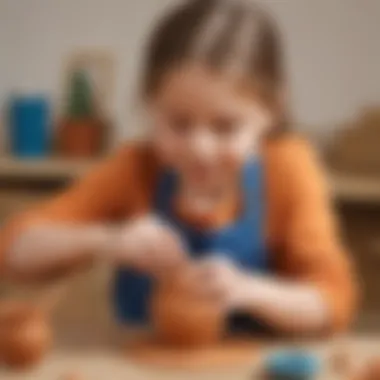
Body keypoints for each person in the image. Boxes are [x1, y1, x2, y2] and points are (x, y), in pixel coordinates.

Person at [0, 0, 356, 348]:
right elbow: (14, 251)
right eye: (178, 124)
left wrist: (247, 291)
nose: (200, 148)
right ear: (149, 104)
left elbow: (334, 303)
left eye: (226, 127)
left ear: (272, 112)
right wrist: (108, 240)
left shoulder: (287, 168)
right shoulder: (136, 168)